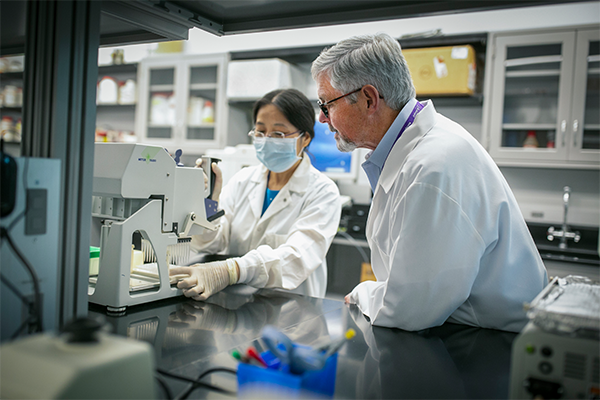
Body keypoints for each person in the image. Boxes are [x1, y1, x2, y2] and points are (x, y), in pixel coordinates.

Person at [311, 33, 548, 332]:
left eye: (325, 104)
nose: (322, 119)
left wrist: (363, 293)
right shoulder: (413, 148)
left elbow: (410, 308)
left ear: (369, 99)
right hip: (462, 331)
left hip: (488, 342)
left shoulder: (433, 166)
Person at [170, 88, 342, 300]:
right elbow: (212, 243)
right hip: (237, 307)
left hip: (291, 313)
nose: (267, 140)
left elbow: (295, 259)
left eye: (278, 133)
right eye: (260, 132)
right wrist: (207, 206)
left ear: (305, 138)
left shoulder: (323, 192)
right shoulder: (243, 181)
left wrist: (230, 271)